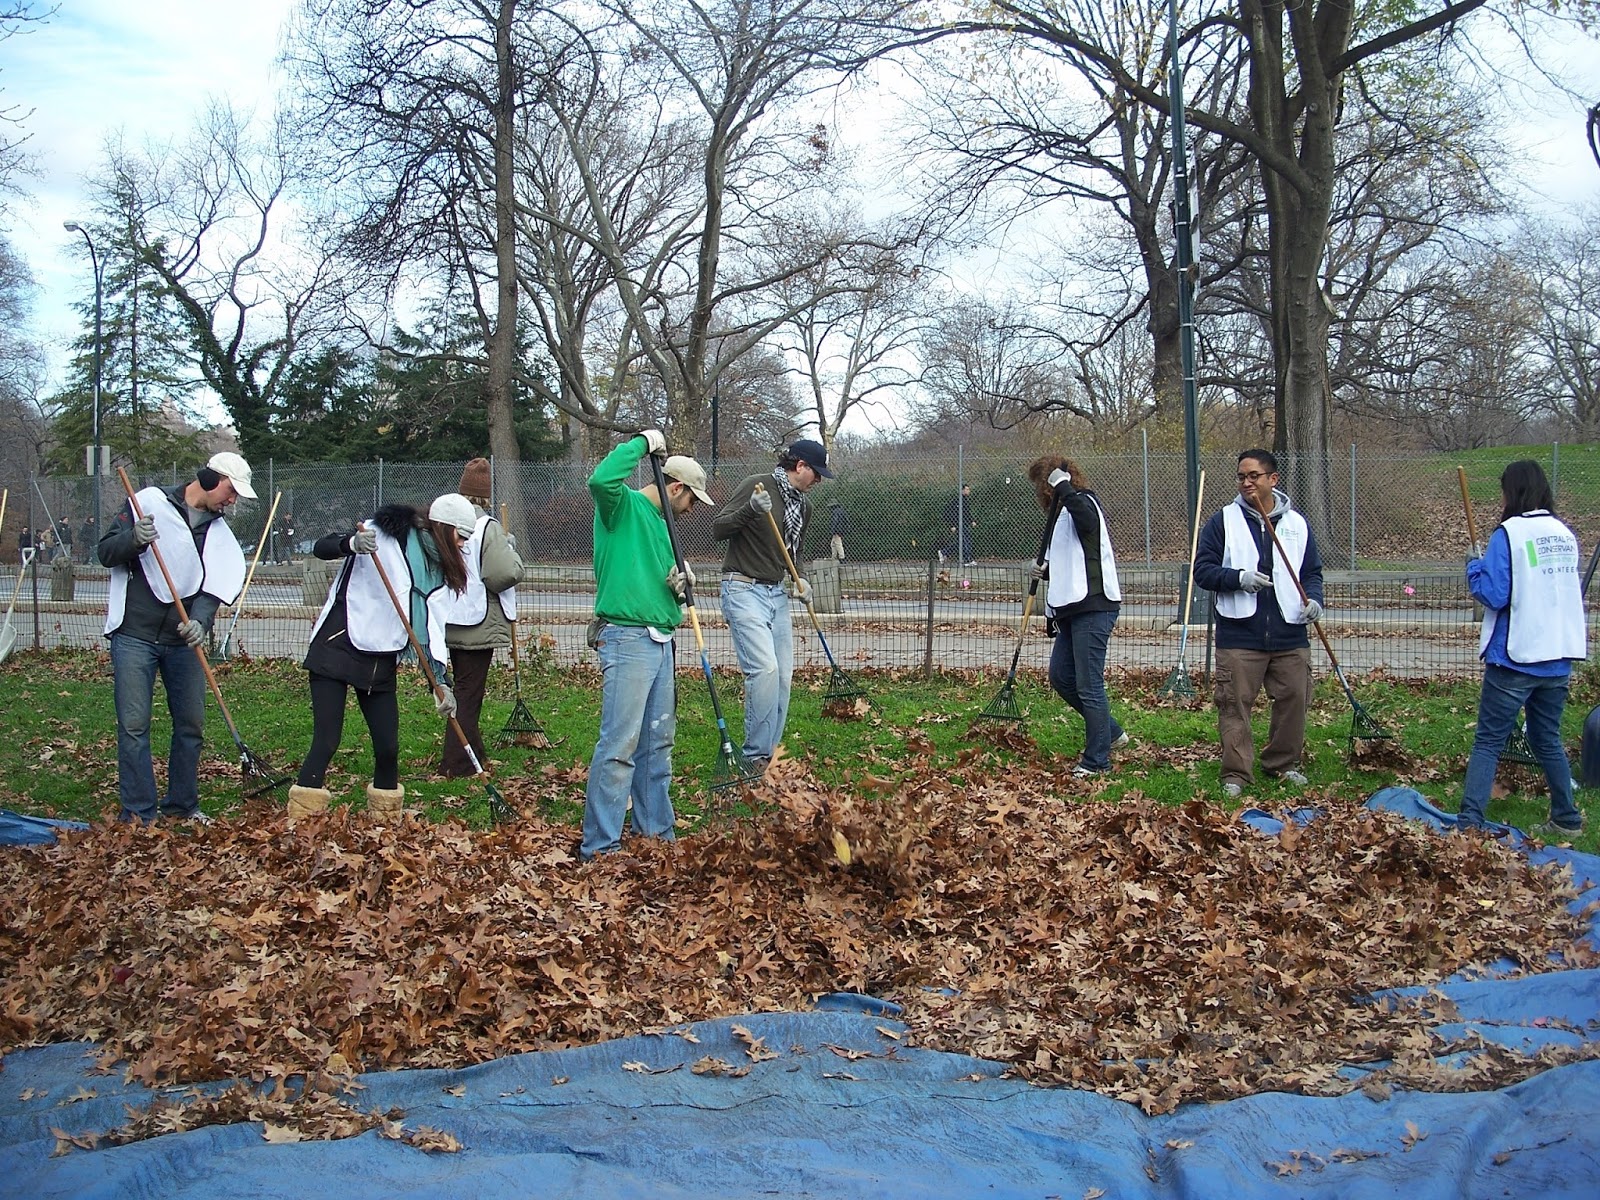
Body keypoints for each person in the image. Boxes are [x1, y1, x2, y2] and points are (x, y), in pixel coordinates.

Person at [97, 452, 256, 824]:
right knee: (134, 725)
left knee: (190, 724)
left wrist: (200, 622)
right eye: (231, 492)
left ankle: (182, 806)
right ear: (209, 478)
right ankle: (138, 814)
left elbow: (213, 589)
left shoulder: (219, 535)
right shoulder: (147, 503)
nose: (232, 502)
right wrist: (133, 539)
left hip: (183, 643)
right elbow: (105, 552)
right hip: (133, 635)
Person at [287, 496, 468, 820]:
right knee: (326, 741)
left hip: (380, 661)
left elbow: (430, 627)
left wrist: (440, 683)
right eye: (461, 535)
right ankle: (302, 820)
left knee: (388, 748)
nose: (463, 544)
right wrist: (351, 543)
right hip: (338, 647)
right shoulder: (386, 534)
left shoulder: (437, 569)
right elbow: (322, 547)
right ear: (443, 528)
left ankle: (384, 821)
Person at [582, 431, 713, 861]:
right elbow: (601, 480)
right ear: (676, 487)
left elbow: (651, 579)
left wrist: (677, 587)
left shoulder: (662, 526)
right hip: (627, 638)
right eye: (692, 500)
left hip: (661, 640)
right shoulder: (622, 508)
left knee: (657, 744)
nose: (692, 510)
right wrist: (640, 443)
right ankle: (600, 847)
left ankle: (655, 832)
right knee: (619, 746)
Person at [1459, 460, 1588, 837]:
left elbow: (1494, 594)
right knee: (1547, 737)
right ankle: (1567, 817)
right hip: (1558, 657)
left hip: (1516, 657)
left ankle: (1470, 824)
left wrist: (1474, 568)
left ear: (1512, 492)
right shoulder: (1563, 533)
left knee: (1487, 741)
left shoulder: (1509, 534)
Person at [1193, 449, 1324, 799]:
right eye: (1241, 476)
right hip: (1240, 633)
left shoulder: (1297, 524)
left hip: (1289, 630)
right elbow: (1202, 570)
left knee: (1295, 698)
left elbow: (1311, 573)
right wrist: (1239, 578)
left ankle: (1283, 763)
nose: (1246, 482)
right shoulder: (1223, 521)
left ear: (1272, 479)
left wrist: (1314, 601)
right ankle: (1236, 772)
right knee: (1234, 703)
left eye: (1253, 475)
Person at [712, 438, 832, 773]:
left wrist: (802, 580)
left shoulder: (803, 507)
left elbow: (794, 553)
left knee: (782, 676)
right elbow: (718, 528)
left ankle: (766, 757)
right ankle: (752, 757)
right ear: (800, 466)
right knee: (763, 671)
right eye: (816, 473)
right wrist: (750, 509)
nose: (819, 480)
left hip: (777, 593)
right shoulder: (757, 485)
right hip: (742, 588)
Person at [1027, 455, 1126, 778]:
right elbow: (1074, 562)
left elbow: (1089, 524)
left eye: (1043, 483)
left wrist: (1065, 487)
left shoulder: (1083, 502)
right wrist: (1045, 571)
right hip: (1071, 610)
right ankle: (1109, 731)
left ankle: (1097, 761)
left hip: (1094, 606)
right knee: (1061, 677)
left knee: (1089, 685)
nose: (1042, 491)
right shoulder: (1060, 517)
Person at [432, 458, 524, 777]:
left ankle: (476, 752)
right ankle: (457, 764)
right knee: (469, 694)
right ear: (486, 495)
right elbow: (503, 574)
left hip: (448, 619)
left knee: (463, 688)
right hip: (477, 624)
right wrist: (510, 552)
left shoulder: (443, 522)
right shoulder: (487, 527)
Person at [941, 483, 977, 566]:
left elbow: (967, 513)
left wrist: (972, 521)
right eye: (967, 489)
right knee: (966, 541)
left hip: (964, 524)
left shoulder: (965, 500)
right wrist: (952, 525)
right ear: (962, 490)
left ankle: (944, 552)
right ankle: (968, 560)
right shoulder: (957, 500)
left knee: (960, 542)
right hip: (959, 525)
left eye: (969, 489)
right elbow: (949, 513)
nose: (969, 491)